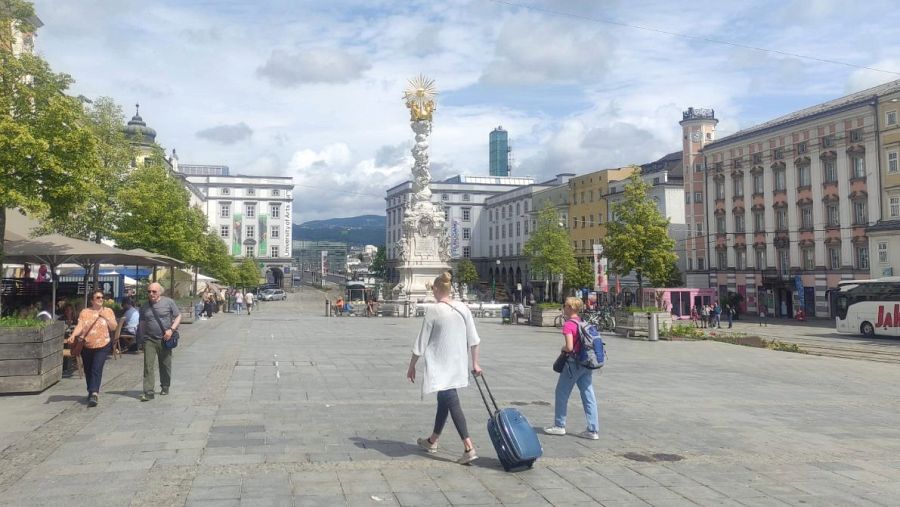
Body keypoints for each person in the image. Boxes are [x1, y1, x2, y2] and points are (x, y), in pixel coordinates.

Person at [408, 272, 482, 465]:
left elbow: (421, 342)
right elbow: (474, 339)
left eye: (433, 289)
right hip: (458, 363)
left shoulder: (434, 310)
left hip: (441, 364)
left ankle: (468, 446)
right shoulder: (463, 308)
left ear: (437, 289)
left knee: (450, 399)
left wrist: (412, 365)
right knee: (444, 399)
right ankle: (432, 440)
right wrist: (475, 363)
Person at [544, 296, 600, 440]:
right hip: (587, 363)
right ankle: (593, 430)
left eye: (565, 306)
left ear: (570, 308)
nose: (564, 308)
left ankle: (559, 425)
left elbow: (569, 347)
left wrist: (563, 348)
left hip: (573, 364)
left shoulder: (569, 324)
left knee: (561, 393)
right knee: (588, 395)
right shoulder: (583, 322)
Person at [66, 290, 117, 407]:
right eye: (98, 297)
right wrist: (73, 334)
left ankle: (94, 393)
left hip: (103, 344)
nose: (101, 299)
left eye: (102, 297)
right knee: (88, 370)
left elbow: (114, 327)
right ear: (91, 300)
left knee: (96, 368)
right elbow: (80, 325)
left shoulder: (108, 311)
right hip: (86, 345)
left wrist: (105, 317)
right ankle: (90, 390)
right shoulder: (85, 312)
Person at [137, 283, 181, 401]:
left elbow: (178, 316)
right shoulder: (145, 306)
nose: (151, 294)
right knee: (148, 365)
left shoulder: (168, 302)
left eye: (154, 291)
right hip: (149, 339)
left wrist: (171, 330)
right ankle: (149, 391)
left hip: (165, 338)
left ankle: (165, 386)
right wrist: (141, 338)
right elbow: (142, 322)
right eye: (149, 291)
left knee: (165, 364)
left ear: (160, 292)